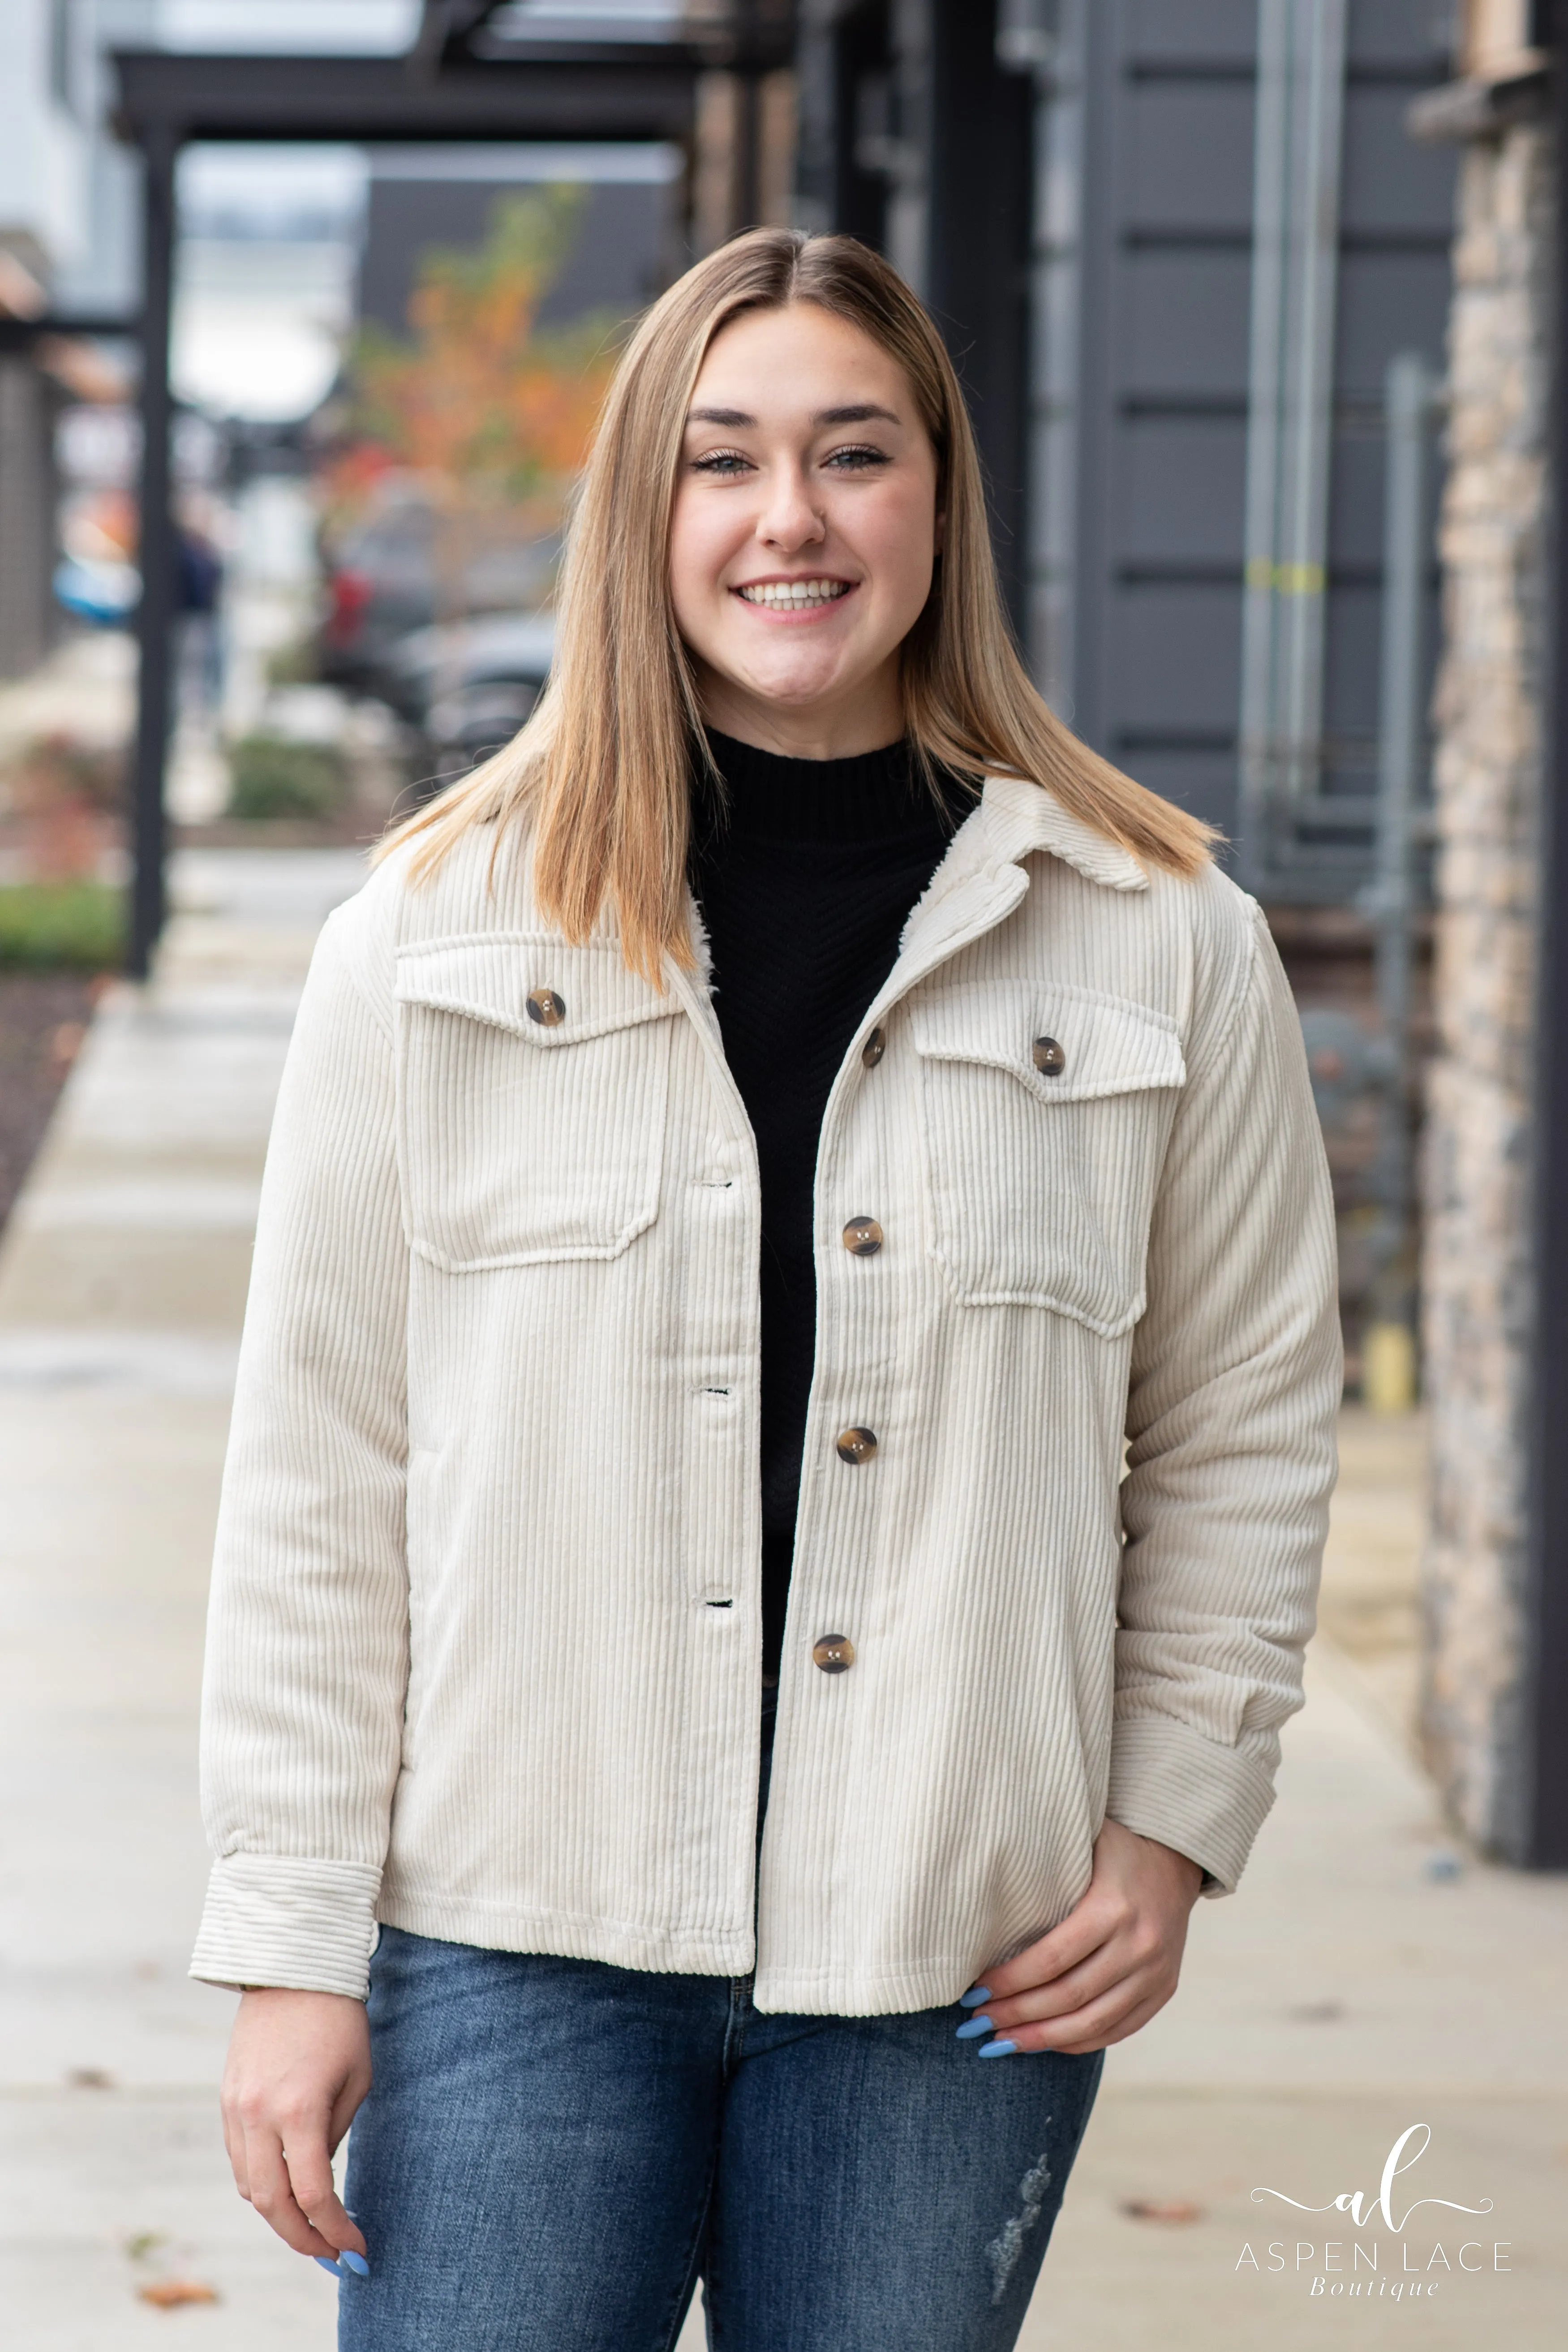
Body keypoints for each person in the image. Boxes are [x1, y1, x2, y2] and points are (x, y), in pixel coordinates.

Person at [193, 230, 1340, 2351]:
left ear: (938, 503)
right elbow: (317, 1479)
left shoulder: (1159, 937)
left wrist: (1171, 1820)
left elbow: (1242, 1426)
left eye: (850, 454)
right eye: (720, 461)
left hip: (948, 1954)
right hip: (512, 1945)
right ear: (644, 507)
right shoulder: (429, 938)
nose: (786, 517)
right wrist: (287, 1949)